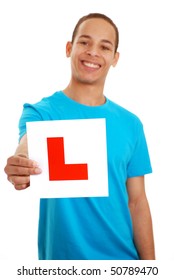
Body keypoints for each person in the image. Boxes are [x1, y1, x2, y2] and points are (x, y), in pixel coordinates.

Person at [4, 13, 155, 260]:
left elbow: (137, 202)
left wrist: (151, 270)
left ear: (115, 58)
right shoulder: (41, 113)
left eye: (104, 46)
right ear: (69, 48)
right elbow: (28, 143)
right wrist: (21, 163)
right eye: (84, 42)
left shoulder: (131, 124)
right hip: (64, 265)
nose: (93, 52)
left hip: (123, 263)